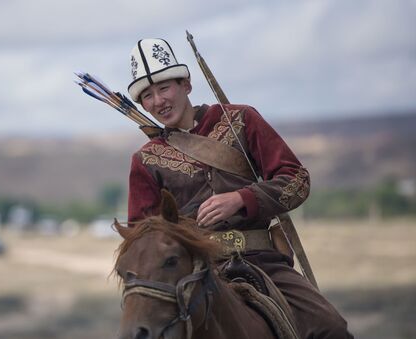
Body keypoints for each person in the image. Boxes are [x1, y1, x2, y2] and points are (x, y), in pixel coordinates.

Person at [126, 38, 353, 339]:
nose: (158, 101)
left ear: (187, 85)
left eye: (164, 88)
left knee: (331, 328)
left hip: (263, 261)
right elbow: (143, 237)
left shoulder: (241, 120)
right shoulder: (145, 159)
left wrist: (241, 199)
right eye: (147, 96)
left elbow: (297, 181)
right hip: (194, 275)